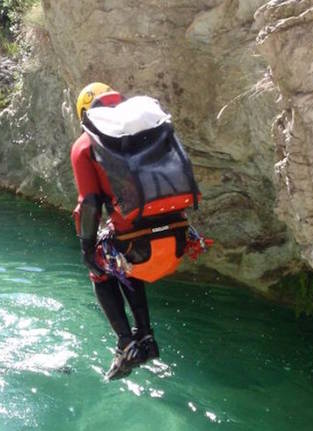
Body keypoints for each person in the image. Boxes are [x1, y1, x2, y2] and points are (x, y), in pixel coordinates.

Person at [70, 82, 204, 380]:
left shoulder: (85, 145)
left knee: (100, 268)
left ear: (85, 115)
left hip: (137, 246)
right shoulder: (148, 132)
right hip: (178, 237)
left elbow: (90, 203)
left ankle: (125, 342)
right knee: (123, 264)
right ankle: (145, 335)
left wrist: (86, 249)